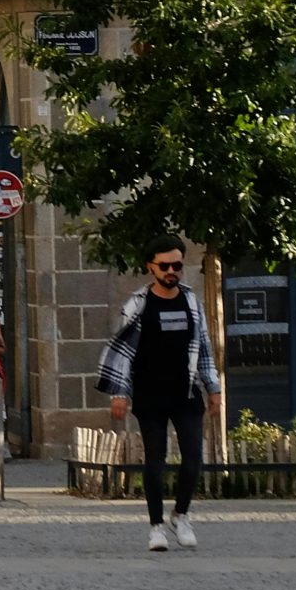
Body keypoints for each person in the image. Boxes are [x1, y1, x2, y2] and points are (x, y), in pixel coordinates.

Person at [98, 233, 224, 553]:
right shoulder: (137, 304)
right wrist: (119, 393)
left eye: (177, 266)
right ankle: (156, 526)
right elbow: (123, 351)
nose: (171, 272)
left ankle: (181, 515)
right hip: (150, 393)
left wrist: (213, 388)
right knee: (155, 459)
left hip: (186, 392)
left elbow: (204, 347)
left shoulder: (191, 302)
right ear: (151, 267)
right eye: (165, 266)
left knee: (193, 457)